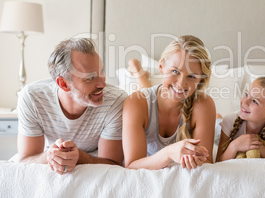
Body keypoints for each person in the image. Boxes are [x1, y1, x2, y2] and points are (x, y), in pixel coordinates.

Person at [17, 38, 127, 174]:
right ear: (63, 84)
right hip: (51, 153)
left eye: (102, 71)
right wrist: (50, 156)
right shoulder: (32, 98)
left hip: (95, 159)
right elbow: (25, 160)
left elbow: (113, 164)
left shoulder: (116, 101)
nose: (102, 84)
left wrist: (79, 157)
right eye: (90, 78)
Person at [123, 35, 216, 170]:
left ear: (200, 80)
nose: (181, 83)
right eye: (175, 71)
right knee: (146, 92)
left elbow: (206, 164)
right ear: (161, 67)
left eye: (191, 76)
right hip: (149, 99)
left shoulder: (204, 105)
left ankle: (141, 75)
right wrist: (169, 153)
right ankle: (138, 72)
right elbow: (131, 166)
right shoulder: (135, 102)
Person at [216, 77, 265, 161]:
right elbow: (218, 162)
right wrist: (234, 146)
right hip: (219, 131)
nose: (244, 102)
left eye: (255, 101)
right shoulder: (229, 121)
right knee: (217, 125)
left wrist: (258, 146)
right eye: (246, 94)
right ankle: (218, 118)